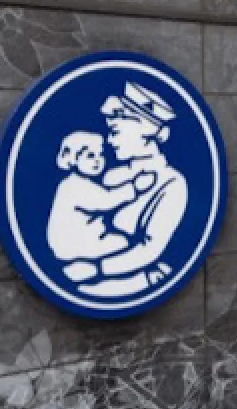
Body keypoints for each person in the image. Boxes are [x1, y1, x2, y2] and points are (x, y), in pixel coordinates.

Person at [61, 81, 189, 298]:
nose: (110, 140)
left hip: (132, 280)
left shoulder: (172, 183)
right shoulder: (111, 175)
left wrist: (97, 269)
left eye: (115, 131)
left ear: (144, 130)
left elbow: (150, 249)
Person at [48, 131, 156, 262]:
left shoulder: (81, 182)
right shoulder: (74, 186)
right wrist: (135, 187)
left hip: (82, 238)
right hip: (72, 244)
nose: (97, 160)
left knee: (121, 241)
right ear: (73, 159)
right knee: (123, 243)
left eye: (101, 154)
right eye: (90, 155)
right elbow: (106, 200)